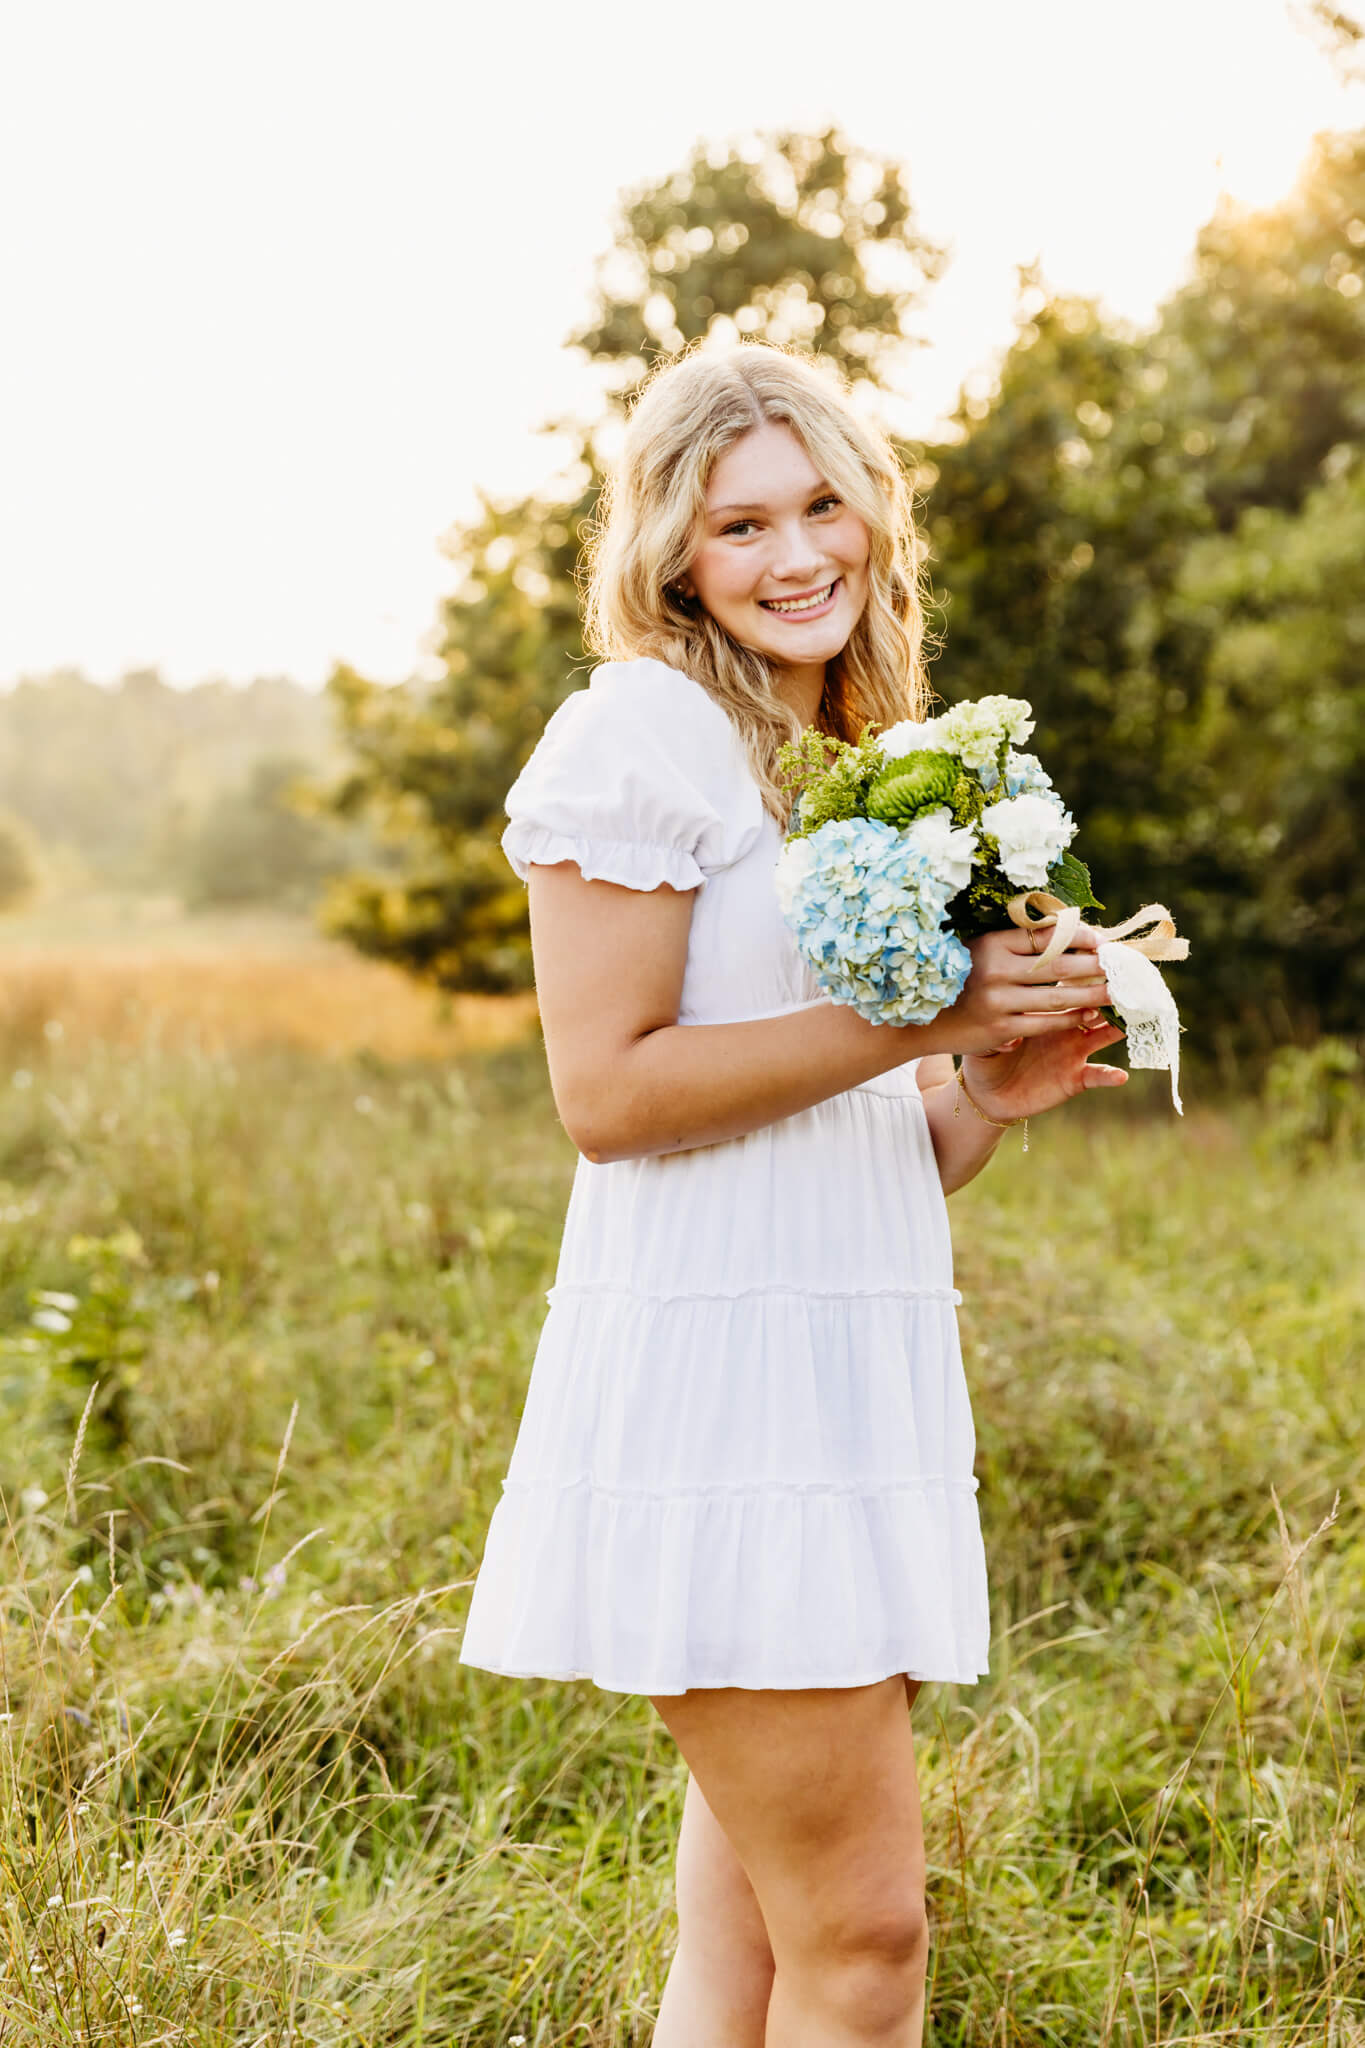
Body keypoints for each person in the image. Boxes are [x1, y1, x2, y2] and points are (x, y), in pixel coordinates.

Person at [457, 339, 1127, 2046]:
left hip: (842, 1374)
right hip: (719, 1391)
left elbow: (857, 1134)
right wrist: (914, 1016)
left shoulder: (826, 754)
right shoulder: (644, 730)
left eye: (823, 503)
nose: (796, 552)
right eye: (741, 522)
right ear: (672, 554)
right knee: (866, 1945)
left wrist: (985, 1085)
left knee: (753, 1950)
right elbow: (605, 1096)